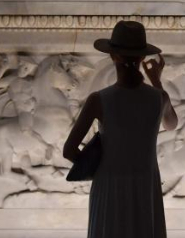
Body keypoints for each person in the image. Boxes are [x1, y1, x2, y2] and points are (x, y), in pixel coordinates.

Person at [63, 21, 178, 238]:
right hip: (145, 185)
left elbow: (69, 150)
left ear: (113, 56)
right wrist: (156, 81)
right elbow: (171, 124)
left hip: (109, 186)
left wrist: (99, 170)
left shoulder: (99, 100)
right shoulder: (158, 98)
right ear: (142, 58)